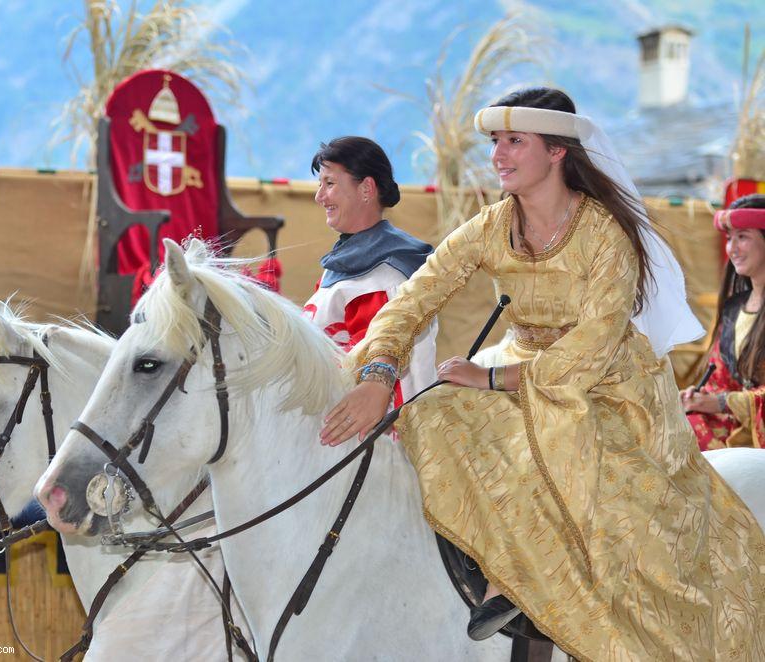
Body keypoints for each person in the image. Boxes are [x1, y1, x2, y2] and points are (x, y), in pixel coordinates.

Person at [319, 87, 765, 660]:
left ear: (557, 152)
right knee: (428, 409)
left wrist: (494, 380)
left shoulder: (607, 235)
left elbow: (592, 347)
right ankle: (503, 565)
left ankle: (553, 590)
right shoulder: (490, 226)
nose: (498, 154)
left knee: (567, 439)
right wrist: (378, 375)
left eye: (514, 141)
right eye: (495, 142)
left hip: (608, 384)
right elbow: (412, 300)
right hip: (521, 363)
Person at [304, 136, 437, 404]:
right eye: (320, 185)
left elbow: (383, 390)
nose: (320, 196)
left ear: (366, 188)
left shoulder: (382, 278)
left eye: (329, 184)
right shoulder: (350, 264)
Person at [683, 194, 765, 450]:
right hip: (732, 425)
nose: (732, 248)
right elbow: (720, 380)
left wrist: (721, 402)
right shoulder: (733, 307)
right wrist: (700, 397)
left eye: (743, 236)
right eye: (729, 238)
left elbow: (726, 398)